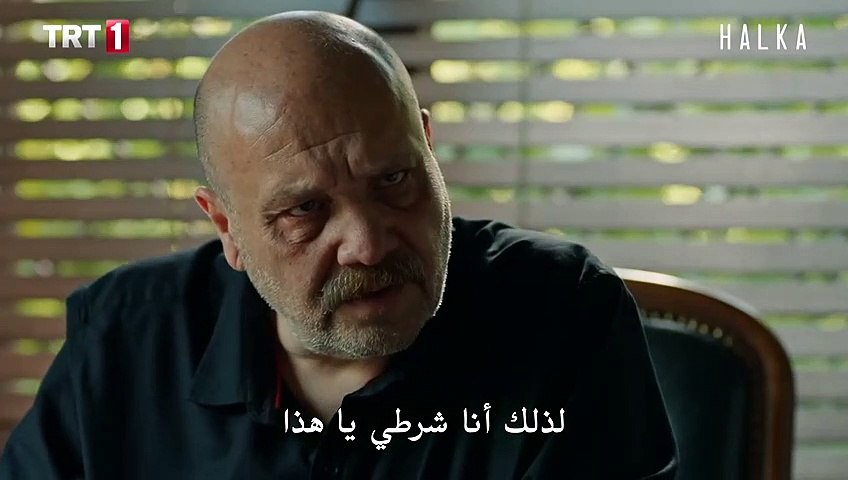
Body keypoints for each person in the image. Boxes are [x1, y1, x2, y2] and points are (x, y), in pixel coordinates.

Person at [0, 11, 677, 480]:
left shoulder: (562, 313)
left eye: (395, 180)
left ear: (428, 147)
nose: (369, 244)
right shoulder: (124, 342)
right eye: (305, 210)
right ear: (228, 228)